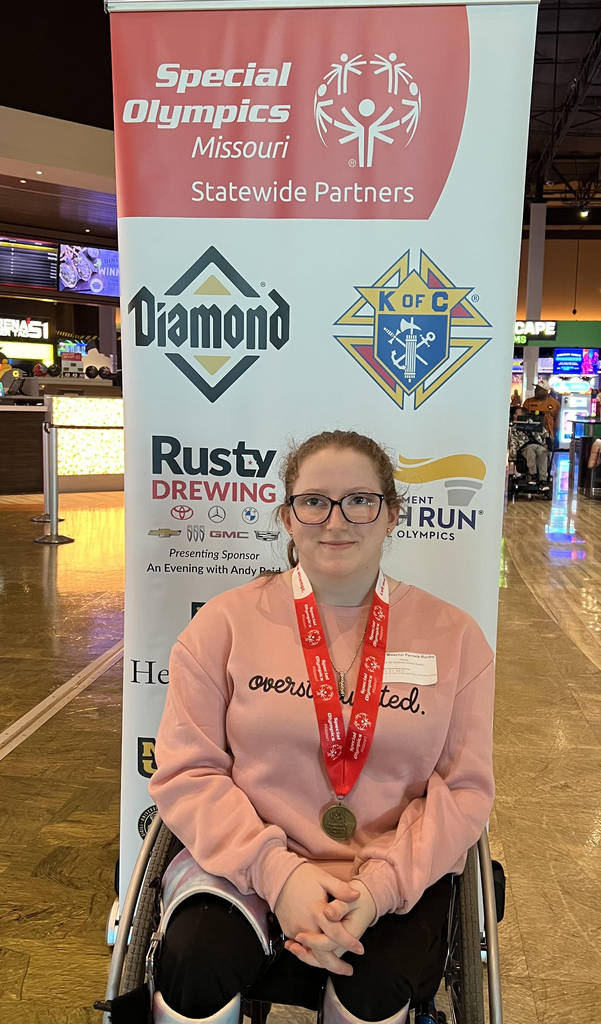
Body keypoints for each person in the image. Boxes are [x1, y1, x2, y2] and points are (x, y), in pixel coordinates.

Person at [148, 430, 495, 1024]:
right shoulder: (223, 626)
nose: (336, 520)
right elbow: (188, 771)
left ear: (392, 514)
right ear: (288, 516)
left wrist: (380, 888)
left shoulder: (455, 636)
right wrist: (278, 875)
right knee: (194, 963)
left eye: (360, 500)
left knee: (377, 983)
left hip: (392, 868)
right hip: (245, 861)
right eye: (314, 501)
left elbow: (463, 790)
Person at [508, 409, 551, 490]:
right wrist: (512, 455)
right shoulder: (514, 428)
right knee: (531, 448)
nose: (514, 416)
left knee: (543, 451)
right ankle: (533, 474)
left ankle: (543, 480)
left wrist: (547, 442)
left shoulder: (534, 424)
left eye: (516, 414)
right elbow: (513, 441)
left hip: (538, 444)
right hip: (524, 447)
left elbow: (545, 434)